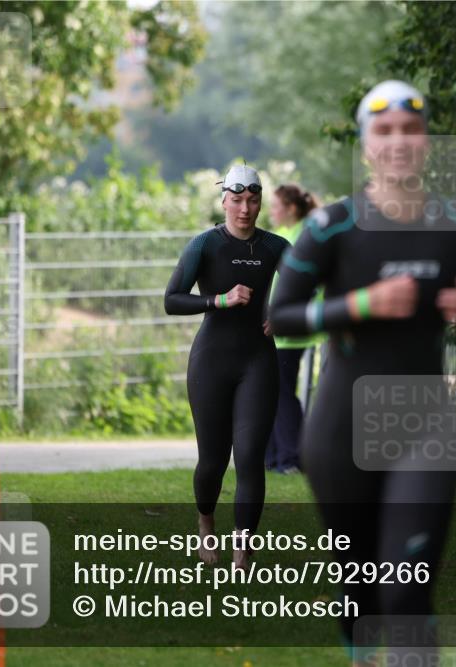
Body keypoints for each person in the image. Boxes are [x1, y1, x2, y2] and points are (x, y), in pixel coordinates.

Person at [269, 80, 456, 665]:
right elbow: (281, 315)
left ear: (427, 141)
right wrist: (362, 305)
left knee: (406, 587)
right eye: (385, 131)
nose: (399, 142)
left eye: (410, 130)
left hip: (424, 422)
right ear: (366, 144)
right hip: (340, 429)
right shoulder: (333, 228)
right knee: (359, 591)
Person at [164, 163, 290, 570]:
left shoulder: (276, 247)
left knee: (250, 456)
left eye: (252, 201)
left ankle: (242, 551)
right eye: (237, 201)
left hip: (258, 360)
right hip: (212, 361)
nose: (245, 209)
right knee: (213, 462)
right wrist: (218, 300)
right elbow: (172, 300)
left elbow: (309, 289)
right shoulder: (205, 245)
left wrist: (285, 312)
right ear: (224, 201)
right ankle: (205, 521)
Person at [264, 184, 326, 474]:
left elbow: (307, 284)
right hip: (281, 329)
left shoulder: (303, 235)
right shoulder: (287, 235)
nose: (270, 212)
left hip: (290, 330)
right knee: (274, 391)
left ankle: (291, 457)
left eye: (275, 206)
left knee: (281, 392)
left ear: (290, 208)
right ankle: (275, 457)